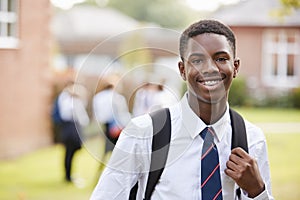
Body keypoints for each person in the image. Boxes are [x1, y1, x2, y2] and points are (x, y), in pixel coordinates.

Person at [90, 19, 273, 199]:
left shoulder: (252, 139)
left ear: (235, 67)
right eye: (197, 60)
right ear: (182, 70)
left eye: (220, 58)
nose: (209, 68)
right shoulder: (144, 133)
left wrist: (258, 191)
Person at [57, 82, 90, 182]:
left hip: (70, 127)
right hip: (70, 128)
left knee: (70, 151)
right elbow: (66, 114)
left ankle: (69, 174)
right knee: (70, 151)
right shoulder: (67, 98)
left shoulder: (67, 98)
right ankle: (68, 176)